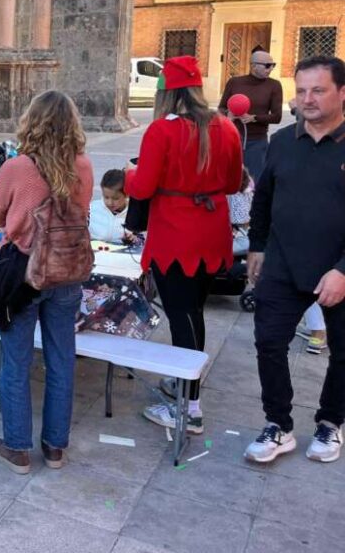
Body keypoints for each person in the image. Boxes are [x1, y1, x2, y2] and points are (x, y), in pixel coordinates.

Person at [125, 56, 243, 435]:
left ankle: (188, 407)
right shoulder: (225, 126)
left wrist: (129, 176)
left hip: (176, 233)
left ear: (167, 94)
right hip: (212, 231)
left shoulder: (162, 130)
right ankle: (184, 383)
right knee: (194, 312)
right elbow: (231, 183)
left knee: (182, 315)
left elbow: (142, 188)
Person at [0, 91, 94, 473]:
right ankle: (54, 448)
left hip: (25, 273)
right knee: (61, 360)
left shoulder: (17, 167)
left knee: (15, 361)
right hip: (67, 271)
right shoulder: (82, 165)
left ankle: (17, 447)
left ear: (32, 122)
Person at [245, 55, 345, 464]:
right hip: (283, 263)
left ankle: (330, 422)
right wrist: (257, 245)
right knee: (269, 342)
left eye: (318, 90)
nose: (307, 99)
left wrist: (342, 271)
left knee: (343, 353)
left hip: (337, 269)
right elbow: (264, 197)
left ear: (342, 92)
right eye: (301, 90)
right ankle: (279, 425)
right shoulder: (283, 141)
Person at [218, 48, 283, 181]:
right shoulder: (234, 82)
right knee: (229, 180)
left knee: (254, 182)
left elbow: (277, 117)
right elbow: (221, 109)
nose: (271, 68)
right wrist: (229, 115)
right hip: (232, 139)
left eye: (273, 65)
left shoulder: (274, 85)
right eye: (267, 65)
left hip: (257, 142)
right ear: (253, 66)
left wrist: (253, 118)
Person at [88, 169, 132, 244]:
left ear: (127, 194)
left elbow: (140, 240)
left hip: (121, 253)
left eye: (116, 198)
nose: (110, 202)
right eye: (106, 197)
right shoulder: (92, 208)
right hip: (94, 251)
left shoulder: (133, 214)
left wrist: (132, 239)